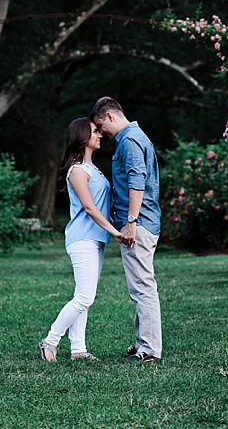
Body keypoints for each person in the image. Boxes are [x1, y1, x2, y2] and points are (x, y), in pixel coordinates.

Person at [39, 117, 124, 362]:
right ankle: (50, 341)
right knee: (85, 297)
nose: (100, 134)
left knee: (83, 296)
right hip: (82, 239)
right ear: (82, 136)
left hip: (95, 240)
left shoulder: (93, 168)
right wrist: (115, 231)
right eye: (95, 131)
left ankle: (78, 349)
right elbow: (89, 207)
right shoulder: (77, 169)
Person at [90, 97, 162, 363]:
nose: (100, 133)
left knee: (143, 286)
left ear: (110, 116)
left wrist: (130, 221)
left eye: (100, 125)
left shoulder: (130, 141)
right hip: (142, 221)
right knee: (139, 286)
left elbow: (136, 181)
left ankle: (149, 350)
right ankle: (142, 342)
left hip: (139, 223)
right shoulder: (133, 137)